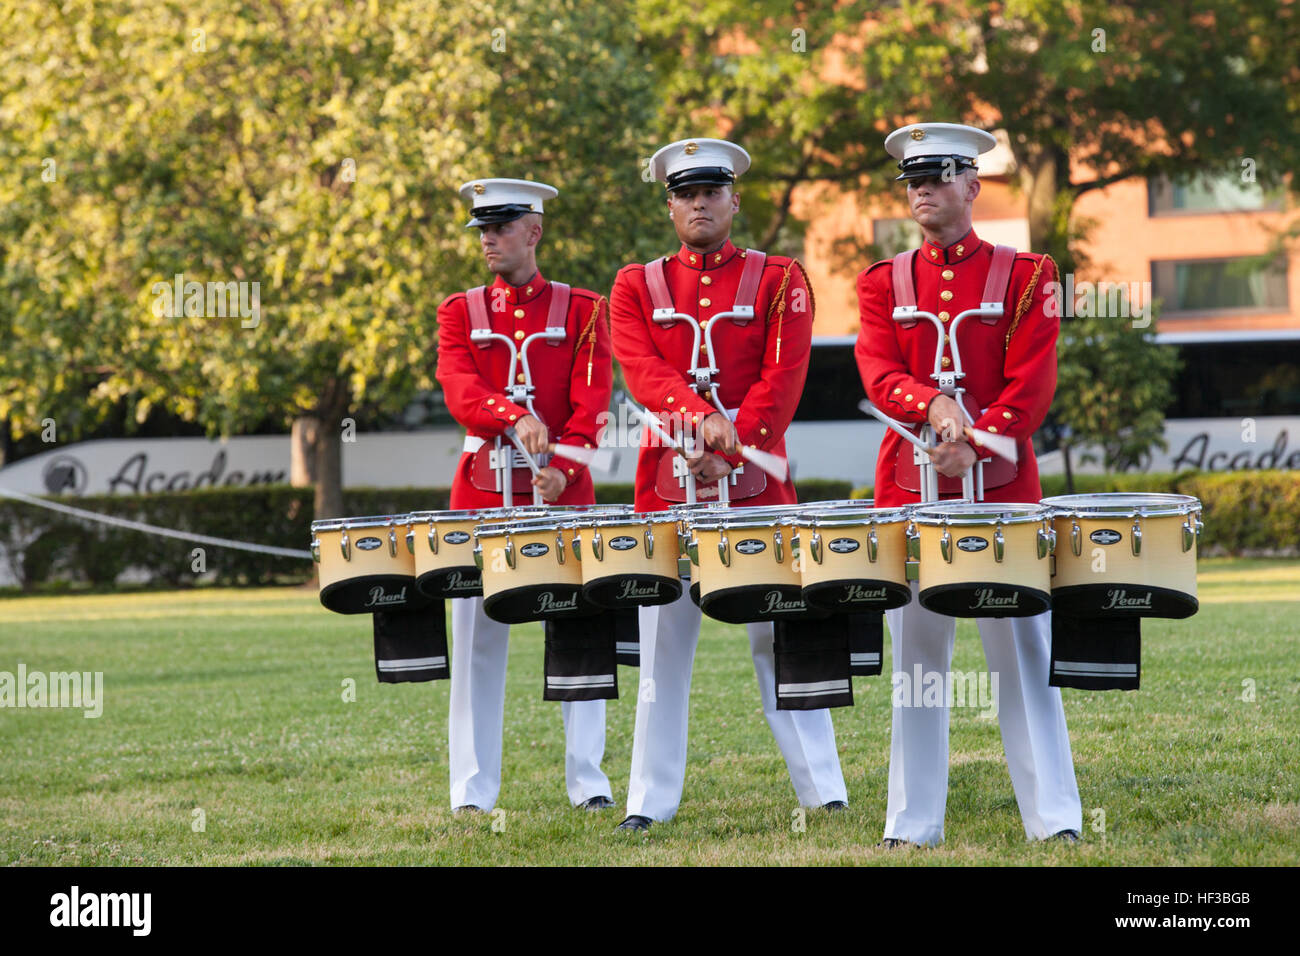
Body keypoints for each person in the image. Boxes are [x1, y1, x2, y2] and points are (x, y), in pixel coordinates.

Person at [609, 139, 849, 832]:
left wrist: (734, 442)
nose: (699, 203)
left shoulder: (781, 278)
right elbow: (643, 373)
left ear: (734, 199)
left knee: (780, 636)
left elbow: (785, 378)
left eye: (712, 191)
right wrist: (703, 426)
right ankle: (647, 803)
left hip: (756, 483)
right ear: (670, 204)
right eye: (685, 193)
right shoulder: (634, 285)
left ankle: (822, 789)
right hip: (666, 483)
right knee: (660, 649)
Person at [855, 123, 1083, 846]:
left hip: (1002, 490)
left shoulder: (1028, 275)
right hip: (908, 489)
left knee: (1021, 654)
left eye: (938, 177)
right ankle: (912, 823)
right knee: (917, 663)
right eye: (913, 181)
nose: (923, 190)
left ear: (972, 185)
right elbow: (878, 374)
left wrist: (976, 440)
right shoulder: (879, 282)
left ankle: (1054, 819)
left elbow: (1033, 383)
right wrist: (933, 410)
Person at [435, 178, 615, 813]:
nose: (487, 238)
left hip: (563, 494)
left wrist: (563, 468)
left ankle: (589, 783)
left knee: (578, 631)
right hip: (482, 492)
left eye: (501, 226)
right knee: (477, 642)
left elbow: (593, 405)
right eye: (482, 228)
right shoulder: (459, 311)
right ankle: (472, 793)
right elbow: (457, 385)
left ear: (533, 232)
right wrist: (510, 416)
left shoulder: (585, 309)